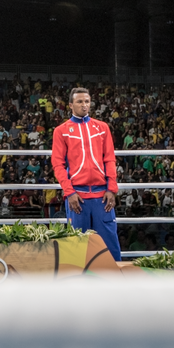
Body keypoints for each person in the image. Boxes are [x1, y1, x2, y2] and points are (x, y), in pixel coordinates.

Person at [51, 87, 121, 260]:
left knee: (109, 247)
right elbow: (58, 165)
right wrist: (69, 192)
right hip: (77, 197)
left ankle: (116, 285)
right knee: (77, 250)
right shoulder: (61, 131)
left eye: (87, 101)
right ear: (70, 105)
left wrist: (112, 189)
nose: (84, 105)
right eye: (79, 101)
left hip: (102, 196)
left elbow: (110, 160)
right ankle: (78, 285)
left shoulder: (103, 128)